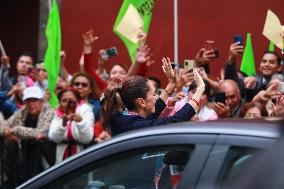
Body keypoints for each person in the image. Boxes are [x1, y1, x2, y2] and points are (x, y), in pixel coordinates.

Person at [103, 57, 205, 136]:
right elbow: (174, 120)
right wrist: (200, 88)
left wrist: (171, 84)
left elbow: (154, 112)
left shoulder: (126, 118)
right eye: (154, 94)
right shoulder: (134, 125)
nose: (157, 97)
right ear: (141, 102)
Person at [1, 86, 55, 186]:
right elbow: (7, 124)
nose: (31, 104)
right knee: (9, 142)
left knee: (38, 143)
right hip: (24, 153)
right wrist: (8, 132)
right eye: (28, 101)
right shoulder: (23, 111)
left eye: (34, 100)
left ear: (41, 101)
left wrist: (15, 130)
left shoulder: (49, 112)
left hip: (43, 155)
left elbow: (40, 132)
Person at [48, 88, 94, 163]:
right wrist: (63, 125)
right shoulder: (57, 113)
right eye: (64, 101)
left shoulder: (85, 110)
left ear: (78, 101)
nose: (67, 103)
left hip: (82, 155)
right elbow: (53, 137)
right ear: (59, 102)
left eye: (71, 100)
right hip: (62, 157)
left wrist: (81, 122)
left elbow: (87, 139)